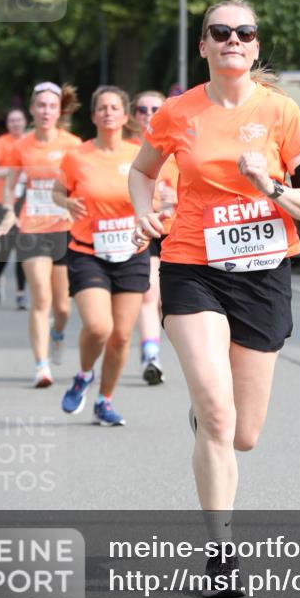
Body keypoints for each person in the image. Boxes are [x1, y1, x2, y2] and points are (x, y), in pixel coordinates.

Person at [128, 0, 300, 593]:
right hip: (192, 266)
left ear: (255, 45)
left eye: (244, 31)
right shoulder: (178, 111)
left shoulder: (283, 112)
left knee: (243, 434)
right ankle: (221, 556)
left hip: (263, 275)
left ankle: (209, 417)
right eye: (220, 31)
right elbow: (142, 171)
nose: (232, 39)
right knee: (218, 412)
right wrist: (143, 213)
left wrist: (268, 184)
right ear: (204, 46)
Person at [54, 86, 150, 425]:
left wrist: (161, 205)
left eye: (114, 108)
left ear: (125, 116)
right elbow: (57, 191)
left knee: (121, 336)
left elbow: (158, 193)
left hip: (132, 251)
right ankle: (83, 375)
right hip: (87, 251)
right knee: (98, 327)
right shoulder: (77, 156)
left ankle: (104, 401)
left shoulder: (139, 154)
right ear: (94, 116)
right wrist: (66, 202)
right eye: (102, 108)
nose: (108, 112)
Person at [0, 82, 81, 387]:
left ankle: (57, 333)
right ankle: (41, 366)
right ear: (32, 109)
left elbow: (82, 182)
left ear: (60, 111)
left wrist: (72, 204)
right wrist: (8, 210)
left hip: (65, 228)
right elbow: (9, 185)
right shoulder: (21, 146)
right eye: (41, 106)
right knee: (41, 297)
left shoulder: (73, 144)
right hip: (32, 227)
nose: (46, 111)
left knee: (63, 307)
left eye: (52, 106)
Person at [128, 90, 179, 385]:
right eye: (142, 109)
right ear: (134, 115)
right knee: (149, 293)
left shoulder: (179, 146)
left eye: (155, 109)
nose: (148, 114)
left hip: (178, 231)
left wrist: (175, 199)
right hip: (145, 230)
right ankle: (151, 356)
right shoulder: (128, 150)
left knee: (165, 299)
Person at [0, 109, 28, 309]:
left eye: (19, 120)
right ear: (7, 124)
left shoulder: (30, 142)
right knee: (5, 246)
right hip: (1, 201)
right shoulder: (0, 143)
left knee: (22, 247)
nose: (16, 124)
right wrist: (13, 171)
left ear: (25, 122)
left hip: (25, 202)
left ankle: (21, 293)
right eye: (12, 120)